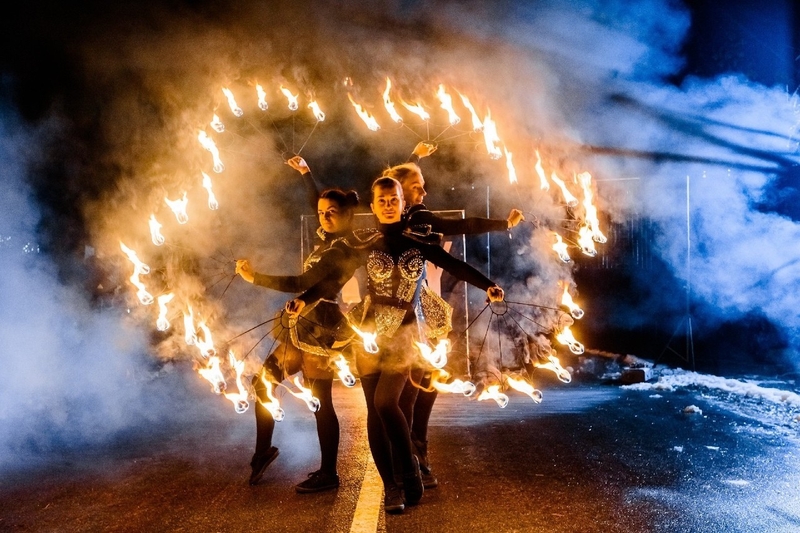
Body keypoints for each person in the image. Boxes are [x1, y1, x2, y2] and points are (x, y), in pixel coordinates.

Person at [286, 176, 505, 514]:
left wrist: (488, 285)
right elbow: (334, 279)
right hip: (371, 338)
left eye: (394, 199)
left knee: (387, 402)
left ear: (403, 204)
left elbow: (455, 267)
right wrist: (304, 300)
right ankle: (392, 488)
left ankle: (410, 470)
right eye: (382, 200)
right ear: (373, 207)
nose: (388, 205)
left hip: (405, 337)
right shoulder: (365, 243)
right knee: (375, 412)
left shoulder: (419, 240)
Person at [382, 141, 524, 489]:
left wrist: (414, 158)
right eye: (418, 186)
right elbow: (463, 225)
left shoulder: (417, 218)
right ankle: (410, 453)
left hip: (424, 306)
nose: (425, 190)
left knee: (426, 378)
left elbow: (452, 254)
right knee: (410, 386)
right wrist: (502, 222)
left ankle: (416, 449)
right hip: (401, 312)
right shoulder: (408, 217)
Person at [235, 155, 359, 493]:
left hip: (322, 332)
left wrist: (254, 277)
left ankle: (329, 473)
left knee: (321, 401)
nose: (324, 216)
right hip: (301, 326)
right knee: (263, 383)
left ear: (346, 214)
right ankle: (263, 452)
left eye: (332, 212)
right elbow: (317, 200)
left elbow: (301, 280)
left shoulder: (343, 248)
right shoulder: (327, 238)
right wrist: (306, 173)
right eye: (321, 213)